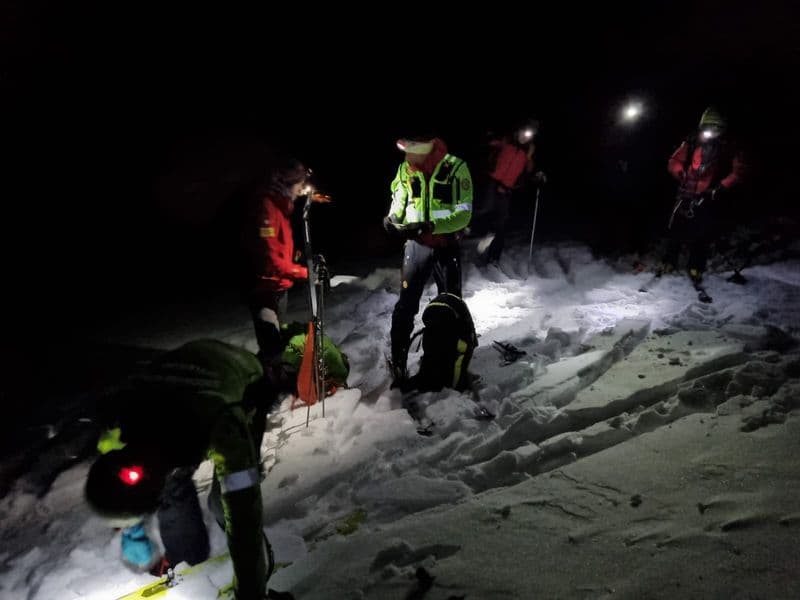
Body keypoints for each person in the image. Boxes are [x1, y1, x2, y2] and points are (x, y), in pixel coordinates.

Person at [84, 339, 284, 600]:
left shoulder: (223, 427)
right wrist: (130, 528)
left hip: (244, 377)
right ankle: (188, 563)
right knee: (172, 489)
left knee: (220, 503)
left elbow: (245, 513)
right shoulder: (118, 425)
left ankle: (260, 567)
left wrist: (252, 594)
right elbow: (120, 481)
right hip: (178, 378)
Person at [383, 134, 473, 386]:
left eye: (410, 151)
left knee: (451, 306)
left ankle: (447, 361)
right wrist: (392, 219)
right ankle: (399, 361)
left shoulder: (456, 167)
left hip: (446, 245)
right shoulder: (406, 169)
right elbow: (399, 200)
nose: (406, 157)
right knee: (406, 306)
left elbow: (464, 214)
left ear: (425, 150)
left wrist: (433, 225)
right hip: (417, 247)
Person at [243, 158, 310, 379]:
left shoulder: (281, 207)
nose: (301, 190)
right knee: (271, 343)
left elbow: (279, 247)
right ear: (288, 183)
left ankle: (273, 378)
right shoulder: (267, 207)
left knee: (276, 339)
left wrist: (294, 257)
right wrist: (300, 271)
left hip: (279, 285)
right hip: (264, 287)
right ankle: (265, 390)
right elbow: (269, 258)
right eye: (299, 185)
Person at [662, 106, 746, 283]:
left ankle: (695, 267)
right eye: (708, 127)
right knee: (675, 229)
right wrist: (679, 173)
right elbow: (674, 161)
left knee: (702, 234)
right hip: (686, 193)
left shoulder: (728, 147)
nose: (711, 131)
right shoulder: (691, 142)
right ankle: (669, 262)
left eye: (716, 128)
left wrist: (721, 187)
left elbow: (738, 171)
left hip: (708, 196)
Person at [476, 120, 545, 264]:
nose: (525, 137)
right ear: (518, 131)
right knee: (484, 209)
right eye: (523, 133)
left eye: (529, 135)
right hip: (492, 182)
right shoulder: (506, 141)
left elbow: (531, 170)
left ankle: (493, 258)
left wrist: (538, 176)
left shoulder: (528, 152)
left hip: (507, 189)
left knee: (501, 224)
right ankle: (475, 234)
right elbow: (488, 145)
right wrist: (487, 138)